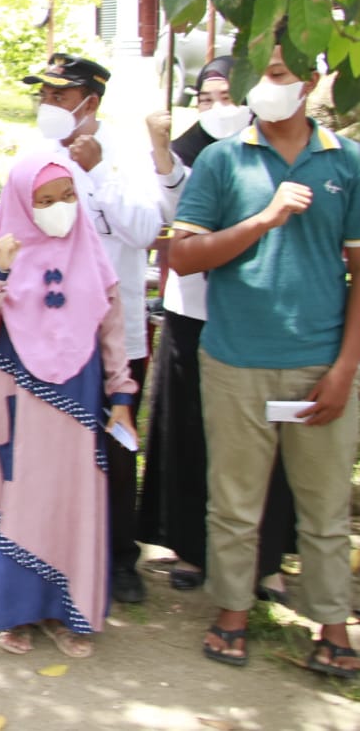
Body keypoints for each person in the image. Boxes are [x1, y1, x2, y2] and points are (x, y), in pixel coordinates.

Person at [170, 43, 360, 677]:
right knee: (233, 503)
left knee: (325, 507)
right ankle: (231, 614)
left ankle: (332, 626)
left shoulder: (346, 161)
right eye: (257, 74)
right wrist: (264, 219)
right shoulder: (222, 159)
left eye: (277, 74)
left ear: (309, 81)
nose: (265, 85)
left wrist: (345, 368)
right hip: (235, 361)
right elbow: (183, 257)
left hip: (320, 363)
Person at [0, 152, 136, 660]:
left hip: (79, 394)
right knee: (22, 496)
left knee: (71, 498)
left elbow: (112, 328)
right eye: (46, 201)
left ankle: (64, 610)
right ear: (21, 204)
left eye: (68, 197)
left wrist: (122, 395)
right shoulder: (4, 250)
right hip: (18, 393)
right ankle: (15, 611)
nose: (60, 208)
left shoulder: (91, 251)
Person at [138, 58, 296, 596]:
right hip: (194, 310)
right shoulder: (188, 151)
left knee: (265, 437)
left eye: (227, 96)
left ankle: (267, 558)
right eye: (205, 99)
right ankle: (189, 545)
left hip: (262, 311)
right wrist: (162, 152)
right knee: (192, 431)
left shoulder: (278, 149)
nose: (216, 108)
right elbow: (173, 210)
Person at [22, 53, 165, 603]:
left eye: (59, 96)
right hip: (50, 332)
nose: (48, 105)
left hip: (114, 335)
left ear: (90, 102)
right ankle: (52, 552)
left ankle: (119, 557)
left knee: (116, 446)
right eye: (44, 95)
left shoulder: (125, 154)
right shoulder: (34, 153)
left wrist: (99, 171)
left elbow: (146, 230)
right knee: (52, 447)